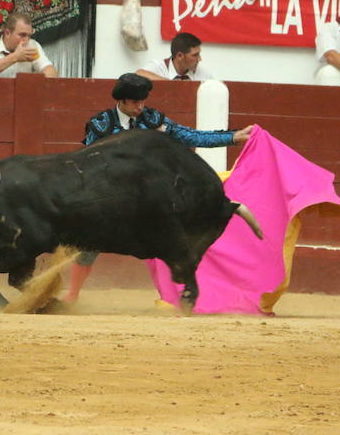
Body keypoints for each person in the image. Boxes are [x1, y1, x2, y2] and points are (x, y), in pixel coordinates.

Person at [63, 72, 253, 303]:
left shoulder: (153, 120)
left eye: (143, 101)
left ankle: (181, 293)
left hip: (149, 199)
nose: (140, 107)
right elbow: (88, 163)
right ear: (121, 101)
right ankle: (72, 295)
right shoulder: (100, 124)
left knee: (174, 239)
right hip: (111, 198)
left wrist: (233, 137)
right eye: (135, 102)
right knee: (88, 246)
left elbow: (189, 136)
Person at [0, 13, 58, 78]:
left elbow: (50, 70)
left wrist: (45, 78)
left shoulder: (32, 45)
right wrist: (15, 57)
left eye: (29, 35)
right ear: (7, 33)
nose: (27, 40)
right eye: (22, 35)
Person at [137, 32, 215, 81]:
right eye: (195, 55)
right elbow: (138, 74)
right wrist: (170, 84)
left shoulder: (202, 73)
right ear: (179, 56)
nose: (200, 59)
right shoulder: (160, 66)